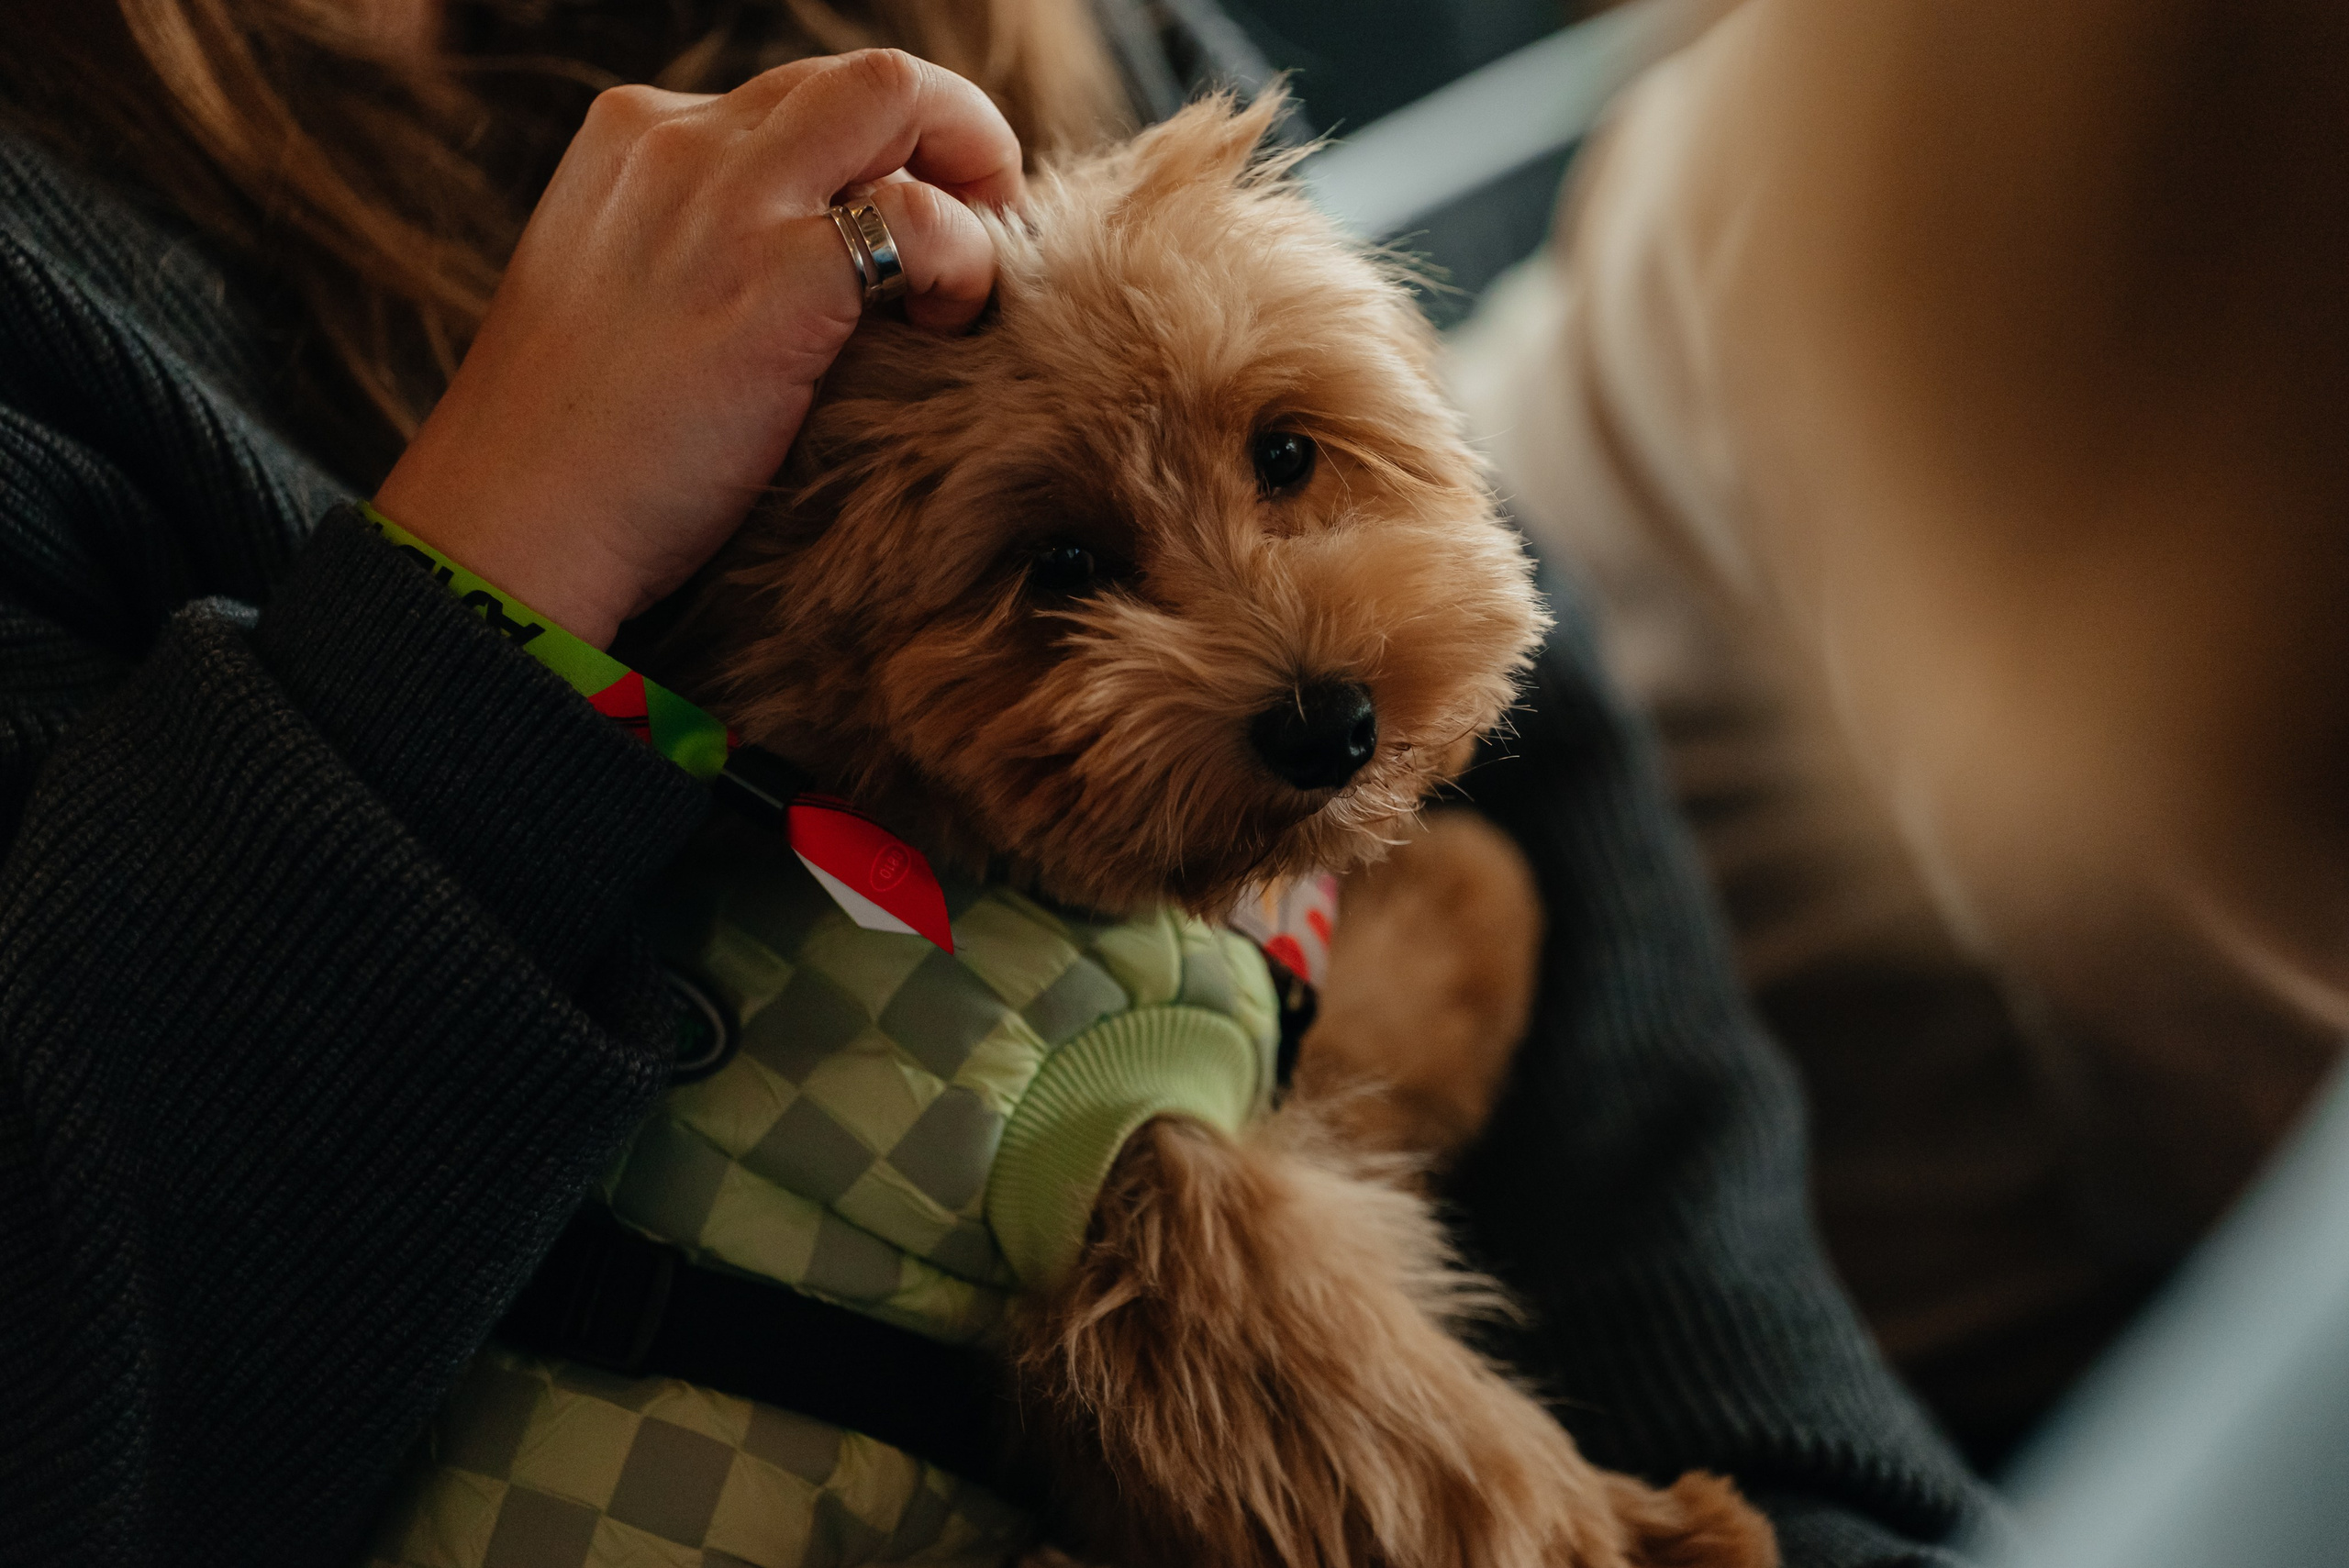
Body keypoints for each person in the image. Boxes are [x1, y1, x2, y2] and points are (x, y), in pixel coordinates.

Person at [0, 3, 1987, 1562]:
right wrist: (487, 576)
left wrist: (1821, 1507)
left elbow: (1514, 801)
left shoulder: (1047, 30)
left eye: (1282, 466)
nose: (1272, 621)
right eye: (1060, 572)